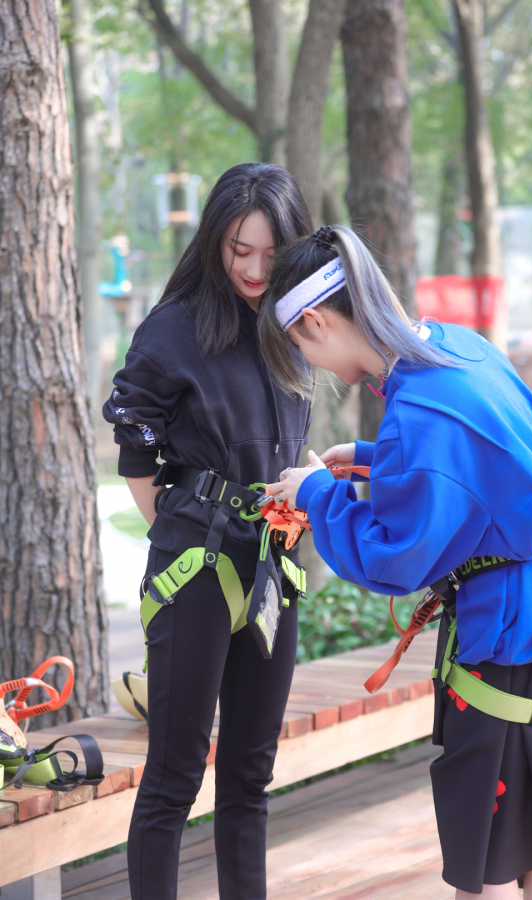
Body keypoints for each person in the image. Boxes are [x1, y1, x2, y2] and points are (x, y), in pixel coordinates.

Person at [258, 224, 532, 899]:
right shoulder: (455, 347)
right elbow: (485, 463)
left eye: (301, 347)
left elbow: (395, 557)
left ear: (317, 322)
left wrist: (319, 494)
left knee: (490, 852)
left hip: (507, 630)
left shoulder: (417, 412)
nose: (312, 364)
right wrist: (372, 461)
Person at [102, 163, 313, 900]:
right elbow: (134, 442)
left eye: (269, 254)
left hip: (273, 565)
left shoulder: (296, 323)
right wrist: (179, 528)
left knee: (251, 775)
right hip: (195, 567)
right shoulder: (175, 328)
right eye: (237, 249)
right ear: (214, 240)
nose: (252, 269)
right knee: (174, 777)